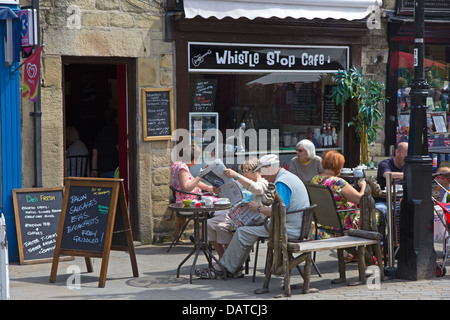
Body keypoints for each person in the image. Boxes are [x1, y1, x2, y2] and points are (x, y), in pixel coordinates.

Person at [196, 154, 310, 279]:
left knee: (242, 233)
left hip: (288, 228)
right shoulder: (286, 177)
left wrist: (259, 209)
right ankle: (229, 266)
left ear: (269, 168)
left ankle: (225, 267)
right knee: (241, 231)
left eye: (262, 171)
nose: (262, 175)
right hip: (292, 225)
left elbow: (277, 211)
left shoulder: (282, 182)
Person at [206, 157, 269, 260]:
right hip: (234, 214)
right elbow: (230, 200)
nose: (245, 175)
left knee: (221, 227)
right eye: (243, 172)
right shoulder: (242, 183)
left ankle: (232, 260)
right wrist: (219, 193)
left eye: (246, 171)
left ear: (256, 170)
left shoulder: (262, 182)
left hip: (249, 218)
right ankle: (223, 257)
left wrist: (236, 175)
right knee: (209, 224)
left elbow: (256, 188)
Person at [311, 150, 367, 231]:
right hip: (343, 222)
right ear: (338, 166)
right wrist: (363, 186)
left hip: (324, 222)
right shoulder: (337, 182)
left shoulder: (315, 179)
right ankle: (380, 242)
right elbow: (361, 199)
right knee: (377, 214)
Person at [171, 145, 216, 241]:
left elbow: (192, 181)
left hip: (186, 201)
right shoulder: (183, 168)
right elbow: (186, 188)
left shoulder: (179, 164)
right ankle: (200, 237)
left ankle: (201, 236)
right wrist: (200, 176)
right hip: (186, 204)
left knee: (212, 205)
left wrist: (208, 188)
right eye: (198, 159)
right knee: (213, 211)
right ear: (193, 159)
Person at [374, 142, 408, 219]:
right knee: (382, 210)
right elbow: (387, 175)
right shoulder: (385, 164)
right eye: (405, 156)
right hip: (383, 201)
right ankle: (382, 231)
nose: (407, 159)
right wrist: (407, 175)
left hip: (401, 200)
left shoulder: (408, 165)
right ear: (397, 152)